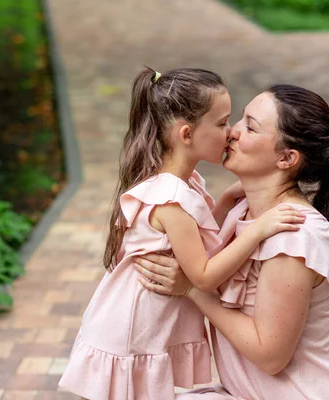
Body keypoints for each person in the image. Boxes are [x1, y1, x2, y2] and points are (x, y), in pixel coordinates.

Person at [58, 69, 305, 400]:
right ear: (186, 133)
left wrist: (226, 201)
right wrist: (259, 229)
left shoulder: (182, 185)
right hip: (131, 333)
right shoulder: (171, 200)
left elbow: (198, 235)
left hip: (141, 326)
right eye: (221, 123)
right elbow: (202, 275)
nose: (230, 132)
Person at [135, 84, 329, 400]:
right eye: (239, 120)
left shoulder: (295, 237)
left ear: (287, 158)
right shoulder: (246, 212)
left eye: (250, 127)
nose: (232, 132)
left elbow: (270, 355)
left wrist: (192, 289)